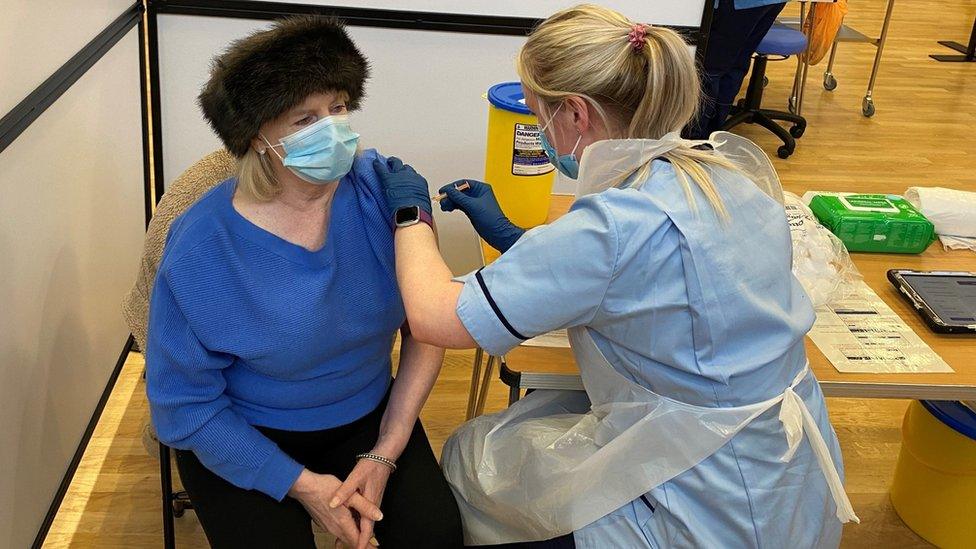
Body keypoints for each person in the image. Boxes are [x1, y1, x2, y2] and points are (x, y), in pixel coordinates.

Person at [367, 5, 856, 548]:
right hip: (782, 467)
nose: (540, 132)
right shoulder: (722, 172)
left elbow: (436, 317)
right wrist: (512, 236)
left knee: (472, 463)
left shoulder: (613, 227)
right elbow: (645, 275)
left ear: (575, 114)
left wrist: (412, 215)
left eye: (537, 116)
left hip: (701, 499)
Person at [145, 17, 462, 549]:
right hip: (243, 431)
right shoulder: (203, 248)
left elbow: (427, 324)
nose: (334, 129)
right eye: (305, 118)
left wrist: (387, 448)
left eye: (338, 107)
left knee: (436, 537)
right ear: (256, 138)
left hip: (367, 415)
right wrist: (305, 487)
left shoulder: (380, 194)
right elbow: (184, 405)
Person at [688, 0, 790, 138]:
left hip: (739, 5)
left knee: (710, 70)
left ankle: (695, 138)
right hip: (769, 3)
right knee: (735, 64)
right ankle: (711, 134)